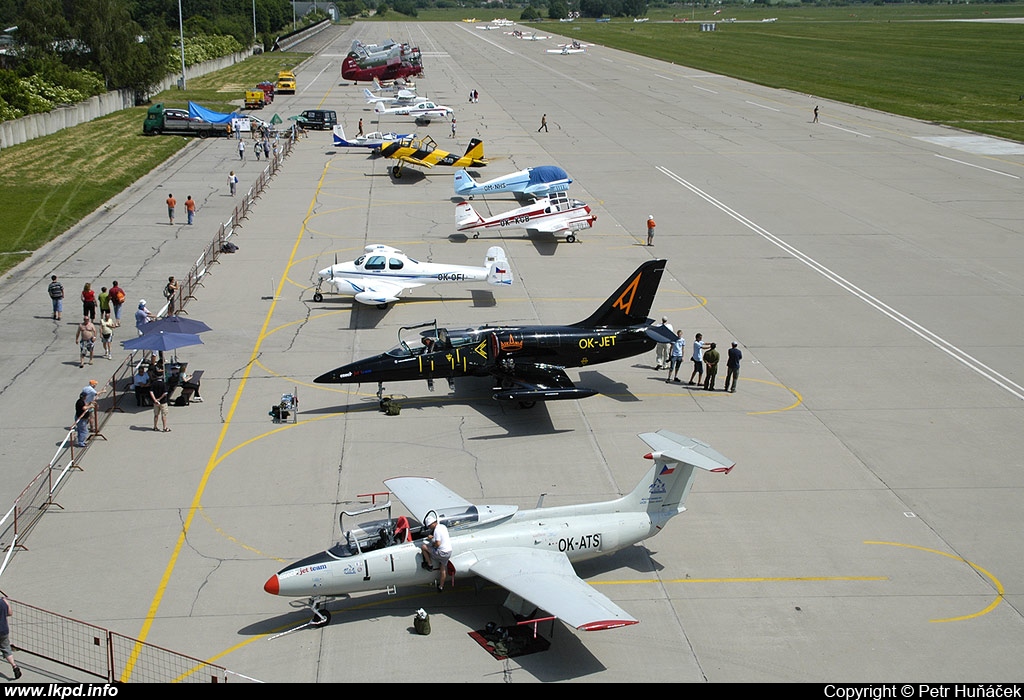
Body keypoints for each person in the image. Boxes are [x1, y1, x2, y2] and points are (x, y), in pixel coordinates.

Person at [419, 514, 452, 590]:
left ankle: (429, 564)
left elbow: (438, 543)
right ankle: (441, 586)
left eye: (429, 526)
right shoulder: (443, 527)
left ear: (432, 524)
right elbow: (441, 538)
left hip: (441, 553)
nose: (429, 528)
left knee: (424, 547)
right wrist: (433, 538)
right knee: (443, 569)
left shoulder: (436, 530)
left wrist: (432, 543)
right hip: (448, 552)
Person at [0, 596, 21, 680]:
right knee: (6, 649)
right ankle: (14, 666)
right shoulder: (3, 602)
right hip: (4, 630)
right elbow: (10, 613)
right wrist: (7, 603)